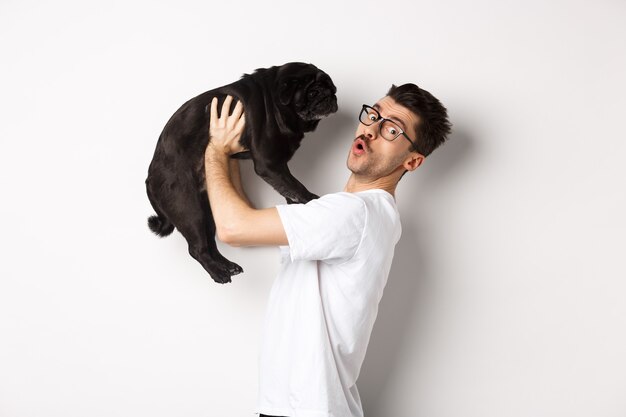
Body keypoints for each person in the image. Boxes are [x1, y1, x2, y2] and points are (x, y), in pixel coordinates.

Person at [204, 83, 452, 417]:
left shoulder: (354, 214)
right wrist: (231, 153)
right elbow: (247, 228)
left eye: (392, 129)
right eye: (374, 115)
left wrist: (215, 149)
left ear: (413, 161)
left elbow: (234, 228)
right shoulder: (355, 215)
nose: (371, 130)